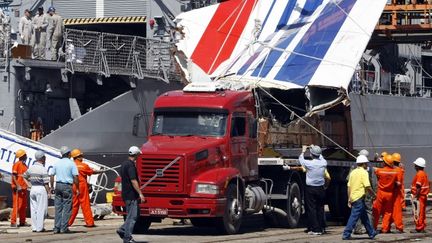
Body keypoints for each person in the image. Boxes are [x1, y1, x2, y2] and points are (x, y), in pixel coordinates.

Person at [342, 155, 377, 240]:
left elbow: (349, 187)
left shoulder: (353, 172)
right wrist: (374, 195)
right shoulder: (364, 172)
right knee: (354, 217)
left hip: (354, 197)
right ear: (364, 164)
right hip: (359, 198)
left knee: (364, 216)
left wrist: (349, 199)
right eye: (366, 164)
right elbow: (367, 186)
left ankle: (371, 232)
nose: (367, 165)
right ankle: (346, 234)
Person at [68, 149, 104, 227]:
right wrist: (100, 172)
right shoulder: (83, 165)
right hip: (82, 186)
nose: (82, 157)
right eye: (80, 156)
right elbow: (91, 172)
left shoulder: (70, 165)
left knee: (74, 205)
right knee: (85, 205)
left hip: (73, 186)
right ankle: (90, 222)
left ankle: (68, 222)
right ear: (77, 157)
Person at [117, 146, 145, 243]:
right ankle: (127, 237)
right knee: (132, 217)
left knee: (131, 215)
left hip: (125, 194)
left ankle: (123, 230)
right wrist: (140, 193)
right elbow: (133, 180)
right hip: (131, 195)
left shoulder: (124, 164)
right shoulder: (131, 166)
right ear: (136, 154)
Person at [49, 146, 79, 234]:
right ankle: (64, 228)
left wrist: (51, 187)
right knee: (67, 208)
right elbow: (75, 177)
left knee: (58, 208)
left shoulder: (57, 163)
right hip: (67, 186)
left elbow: (51, 175)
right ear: (68, 153)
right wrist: (77, 188)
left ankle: (56, 228)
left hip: (58, 185)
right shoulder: (71, 163)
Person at [298, 145, 327, 235]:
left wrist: (303, 151)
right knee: (320, 208)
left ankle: (315, 229)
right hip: (321, 188)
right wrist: (314, 148)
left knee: (312, 209)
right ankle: (321, 227)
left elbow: (301, 160)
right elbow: (320, 156)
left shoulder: (309, 163)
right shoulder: (324, 163)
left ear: (311, 154)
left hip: (311, 188)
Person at [372, 154, 401, 233]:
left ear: (385, 162)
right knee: (388, 212)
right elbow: (398, 183)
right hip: (389, 194)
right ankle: (385, 228)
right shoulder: (395, 172)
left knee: (377, 211)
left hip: (381, 193)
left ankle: (373, 227)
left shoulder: (380, 171)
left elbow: (375, 170)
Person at [23, 151, 50, 232]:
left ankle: (34, 227)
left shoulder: (31, 168)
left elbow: (24, 176)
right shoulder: (43, 169)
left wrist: (29, 184)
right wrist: (48, 192)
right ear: (42, 158)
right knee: (42, 209)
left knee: (34, 209)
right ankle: (40, 227)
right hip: (41, 189)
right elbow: (46, 182)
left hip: (33, 189)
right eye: (44, 157)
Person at [353, 149, 377, 235]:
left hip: (358, 191)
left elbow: (349, 180)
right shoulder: (371, 168)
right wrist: (374, 193)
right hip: (368, 191)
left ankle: (357, 229)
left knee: (357, 210)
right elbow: (374, 182)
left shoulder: (354, 167)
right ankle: (370, 229)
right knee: (369, 210)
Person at [410, 157, 429, 233]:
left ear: (418, 166)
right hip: (422, 196)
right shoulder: (423, 173)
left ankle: (419, 227)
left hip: (420, 196)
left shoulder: (419, 174)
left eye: (415, 165)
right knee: (422, 212)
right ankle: (422, 226)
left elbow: (418, 186)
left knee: (418, 212)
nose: (414, 166)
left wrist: (416, 197)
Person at [11, 149, 29, 227]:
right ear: (22, 156)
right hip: (18, 188)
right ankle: (13, 222)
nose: (26, 156)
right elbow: (14, 176)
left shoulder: (24, 165)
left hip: (23, 188)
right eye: (25, 155)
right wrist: (17, 185)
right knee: (17, 205)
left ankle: (22, 221)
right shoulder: (17, 164)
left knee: (23, 206)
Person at [390, 152, 405, 233]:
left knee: (395, 211)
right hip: (394, 192)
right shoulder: (400, 170)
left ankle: (398, 227)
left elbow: (398, 183)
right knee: (393, 210)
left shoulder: (396, 170)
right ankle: (396, 226)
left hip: (394, 192)